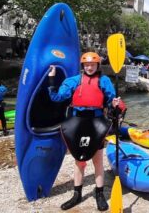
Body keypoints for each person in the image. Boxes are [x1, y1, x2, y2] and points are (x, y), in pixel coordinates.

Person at [48, 52, 120, 211]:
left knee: (97, 160)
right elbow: (57, 97)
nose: (89, 67)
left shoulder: (104, 81)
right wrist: (52, 79)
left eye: (92, 65)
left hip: (97, 123)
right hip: (78, 123)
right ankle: (77, 194)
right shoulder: (73, 81)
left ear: (97, 66)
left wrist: (115, 104)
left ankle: (99, 193)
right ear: (82, 66)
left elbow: (110, 101)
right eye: (86, 65)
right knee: (79, 161)